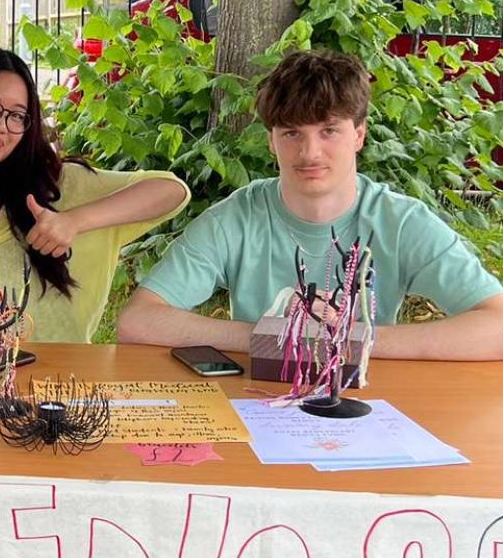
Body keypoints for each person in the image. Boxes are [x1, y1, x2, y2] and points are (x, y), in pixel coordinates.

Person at [117, 48, 503, 358]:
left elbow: (496, 325)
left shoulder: (400, 222)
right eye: (291, 133)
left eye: (329, 130)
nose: (310, 152)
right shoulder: (234, 219)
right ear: (271, 141)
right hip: (262, 401)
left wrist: (351, 341)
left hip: (368, 403)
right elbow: (139, 321)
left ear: (359, 135)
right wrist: (277, 336)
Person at [0, 47, 189, 343]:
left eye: (17, 115)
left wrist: (73, 221)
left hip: (65, 385)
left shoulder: (55, 187)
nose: (1, 125)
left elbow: (172, 191)